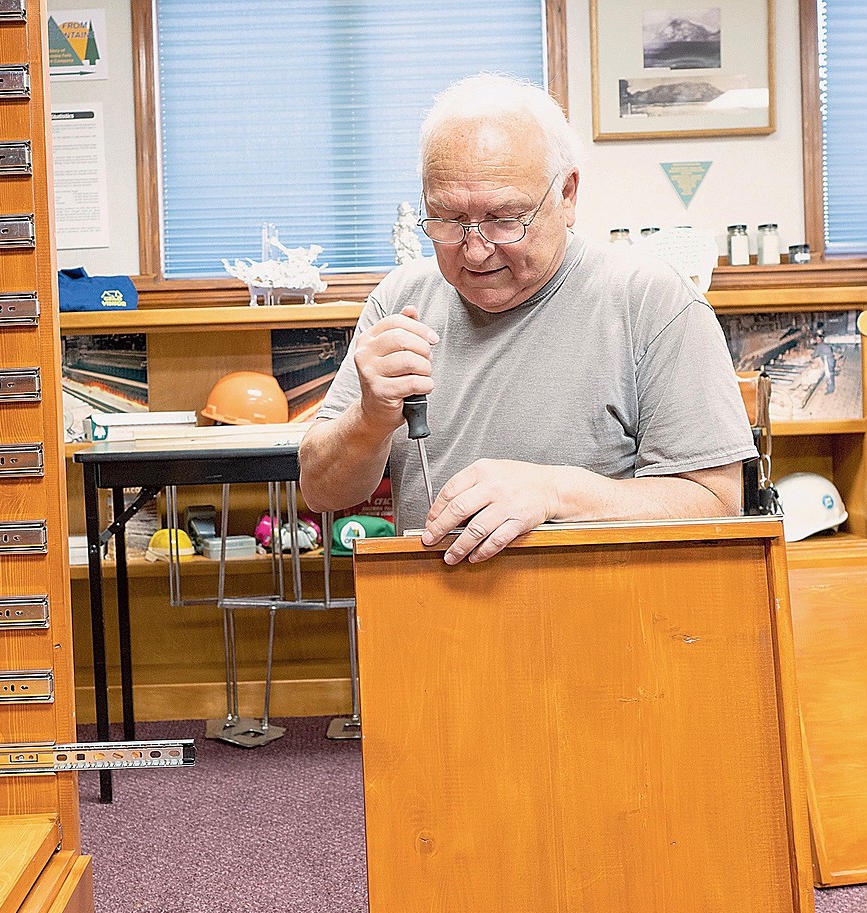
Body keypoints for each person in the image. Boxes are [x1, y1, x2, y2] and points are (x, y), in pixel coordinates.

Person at [298, 73, 755, 566]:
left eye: (504, 217)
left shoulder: (653, 302)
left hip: (612, 621)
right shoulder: (400, 300)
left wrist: (556, 494)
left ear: (567, 195)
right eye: (448, 219)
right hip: (435, 621)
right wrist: (368, 419)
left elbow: (716, 505)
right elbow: (321, 493)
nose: (474, 250)